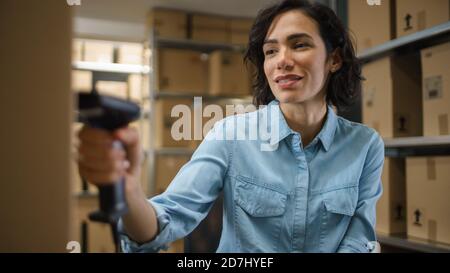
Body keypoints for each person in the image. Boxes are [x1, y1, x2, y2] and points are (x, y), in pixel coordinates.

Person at [77, 0, 384, 253]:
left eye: (299, 45)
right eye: (271, 51)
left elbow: (359, 241)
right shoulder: (231, 135)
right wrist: (127, 187)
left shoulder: (365, 145)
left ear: (334, 59)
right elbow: (166, 220)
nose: (282, 60)